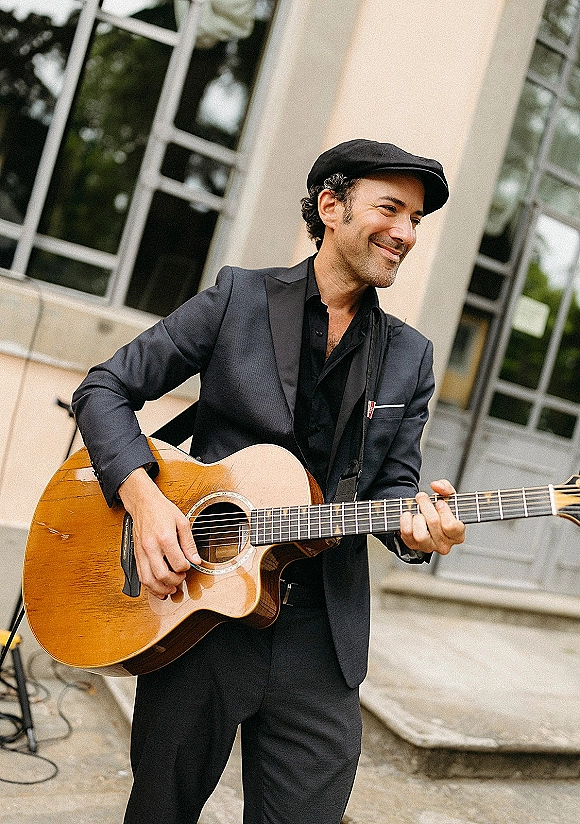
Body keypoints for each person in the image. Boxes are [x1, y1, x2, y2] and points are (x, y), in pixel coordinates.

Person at [72, 138, 466, 824]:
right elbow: (104, 389)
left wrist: (420, 534)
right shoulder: (238, 298)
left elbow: (395, 491)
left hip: (322, 639)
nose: (406, 233)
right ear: (331, 206)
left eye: (416, 221)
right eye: (391, 209)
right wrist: (147, 500)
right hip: (200, 614)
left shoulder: (410, 357)